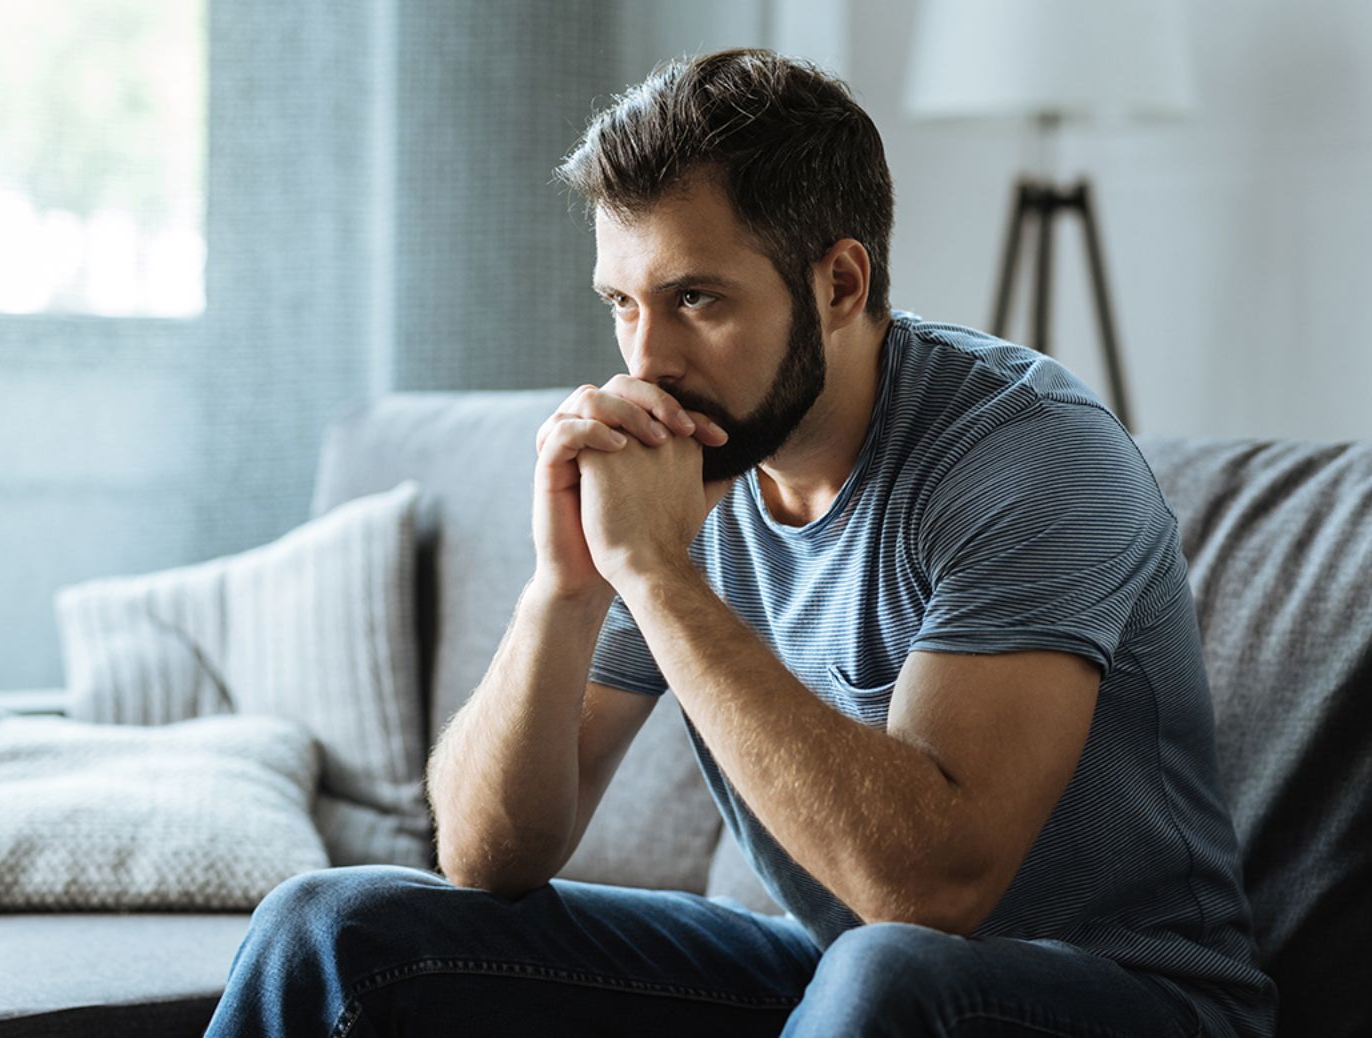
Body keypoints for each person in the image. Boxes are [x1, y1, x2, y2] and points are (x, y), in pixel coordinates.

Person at [205, 49, 1276, 1037]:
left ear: (840, 284)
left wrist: (657, 574)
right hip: (842, 975)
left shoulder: (1026, 455)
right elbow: (486, 857)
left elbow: (930, 892)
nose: (647, 357)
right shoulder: (684, 466)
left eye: (696, 298)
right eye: (622, 302)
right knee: (337, 930)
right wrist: (564, 589)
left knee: (886, 970)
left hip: (1137, 999)